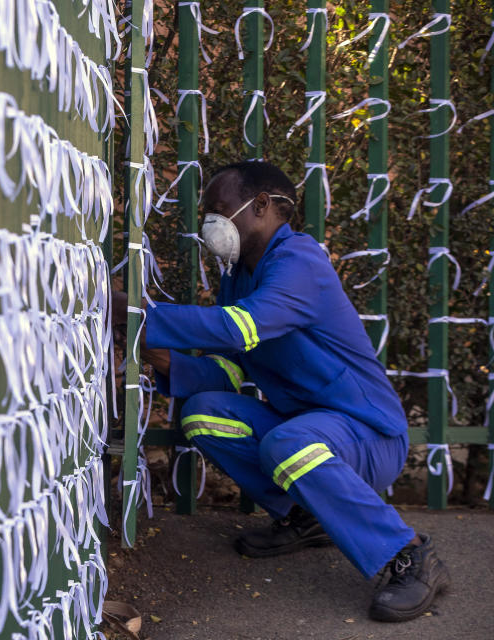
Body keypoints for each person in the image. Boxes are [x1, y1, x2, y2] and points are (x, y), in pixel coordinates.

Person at [112, 161, 448, 622]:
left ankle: (409, 552)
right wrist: (154, 352)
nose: (211, 223)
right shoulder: (238, 278)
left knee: (289, 444)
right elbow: (231, 370)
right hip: (307, 428)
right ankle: (309, 516)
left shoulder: (300, 261)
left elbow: (241, 329)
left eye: (219, 210)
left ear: (263, 206)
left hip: (367, 435)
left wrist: (141, 317)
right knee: (204, 412)